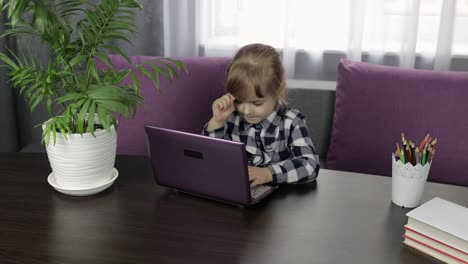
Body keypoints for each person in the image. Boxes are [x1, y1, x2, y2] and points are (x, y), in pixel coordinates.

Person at [202, 43, 320, 187]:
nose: (245, 110)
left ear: (279, 90)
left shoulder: (292, 122)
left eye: (256, 103)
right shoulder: (231, 117)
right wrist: (217, 121)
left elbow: (310, 165)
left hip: (281, 202)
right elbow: (208, 159)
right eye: (239, 100)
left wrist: (268, 173)